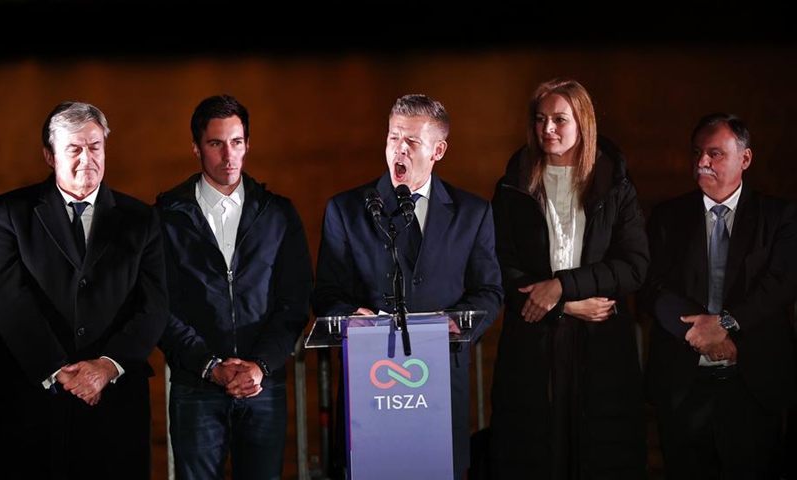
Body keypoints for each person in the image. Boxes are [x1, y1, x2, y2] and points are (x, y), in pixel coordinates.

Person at [312, 93, 504, 479]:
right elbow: (326, 294)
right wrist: (351, 316)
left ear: (438, 150)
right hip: (370, 384)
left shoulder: (472, 213)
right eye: (393, 137)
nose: (399, 148)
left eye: (412, 141)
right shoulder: (347, 210)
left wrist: (455, 323)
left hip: (440, 382)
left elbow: (489, 291)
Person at [0, 101, 169, 480]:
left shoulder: (142, 219)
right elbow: (8, 300)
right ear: (49, 155)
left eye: (95, 147)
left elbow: (154, 305)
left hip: (116, 401)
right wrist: (58, 370)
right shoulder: (9, 213)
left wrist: (108, 366)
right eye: (74, 148)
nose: (86, 159)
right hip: (34, 400)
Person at [488, 77, 649, 479]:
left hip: (601, 345)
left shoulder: (615, 184)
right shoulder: (512, 185)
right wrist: (565, 305)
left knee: (600, 456)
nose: (548, 129)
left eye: (560, 119)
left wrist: (562, 286)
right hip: (532, 343)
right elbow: (499, 265)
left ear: (583, 123)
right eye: (541, 119)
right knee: (534, 456)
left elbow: (634, 267)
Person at [155, 94, 313, 480]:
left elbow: (294, 301)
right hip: (196, 386)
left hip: (263, 386)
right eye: (216, 143)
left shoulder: (278, 213)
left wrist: (261, 366)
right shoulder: (166, 217)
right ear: (196, 147)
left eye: (237, 142)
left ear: (247, 144)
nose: (229, 155)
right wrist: (209, 366)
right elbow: (159, 305)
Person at [641, 112, 797, 479]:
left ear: (745, 158)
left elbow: (781, 284)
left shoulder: (780, 216)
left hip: (754, 384)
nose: (702, 162)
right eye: (697, 152)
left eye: (715, 153)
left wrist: (726, 324)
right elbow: (651, 287)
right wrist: (702, 334)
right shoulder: (666, 217)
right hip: (682, 384)